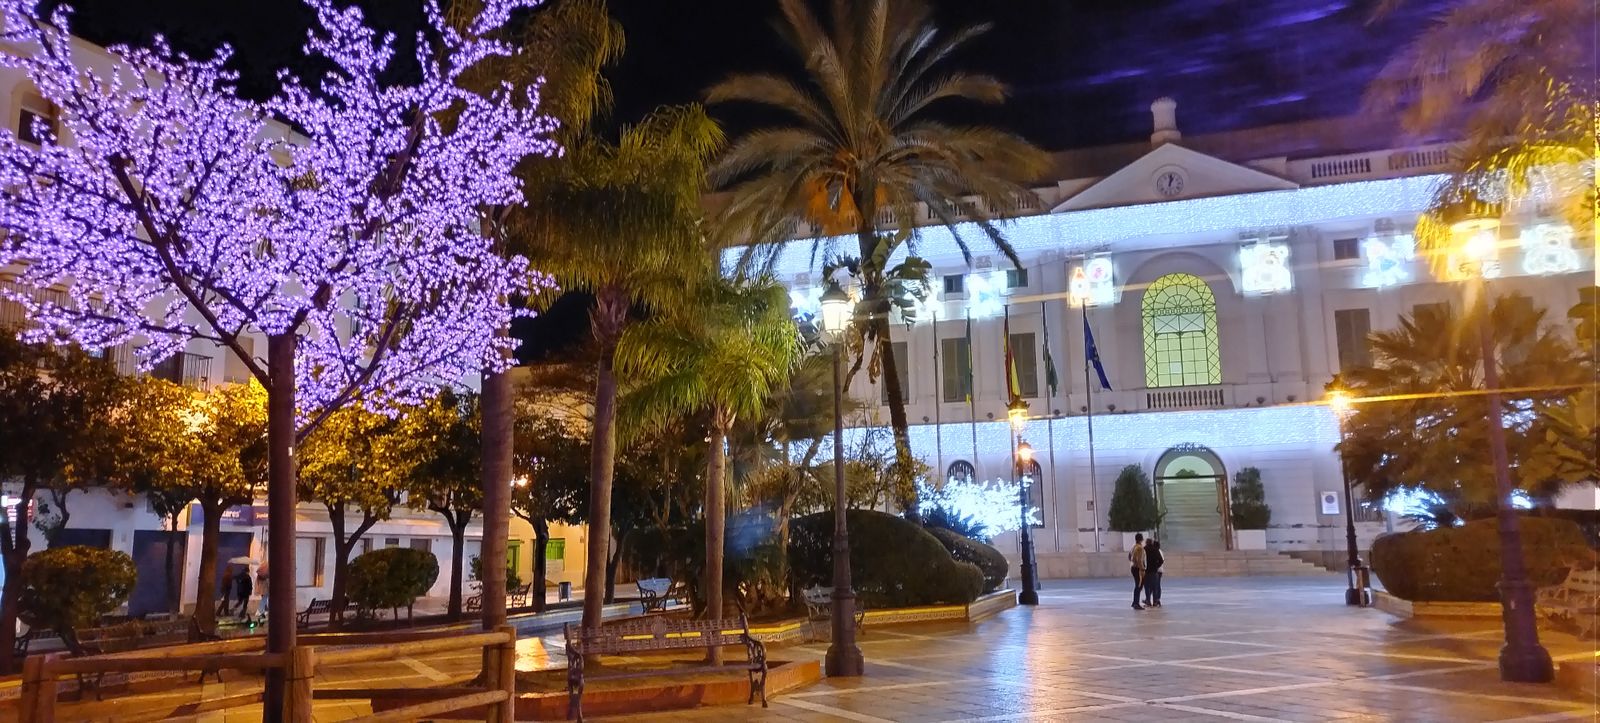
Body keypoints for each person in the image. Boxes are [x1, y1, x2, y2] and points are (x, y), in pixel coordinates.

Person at [1129, 533, 1147, 610]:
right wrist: (1142, 568)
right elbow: (1139, 560)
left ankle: (1134, 602)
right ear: (1142, 539)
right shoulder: (1140, 548)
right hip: (1138, 568)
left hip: (1133, 567)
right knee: (1139, 585)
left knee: (1137, 585)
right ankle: (1136, 603)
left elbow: (1129, 556)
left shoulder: (1133, 547)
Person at [1144, 539, 1164, 608]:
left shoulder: (1144, 550)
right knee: (1155, 587)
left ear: (1146, 543)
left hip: (1146, 571)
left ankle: (1148, 601)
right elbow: (1161, 560)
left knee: (1147, 587)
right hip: (1154, 571)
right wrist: (1156, 566)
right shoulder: (1155, 550)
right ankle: (1155, 602)